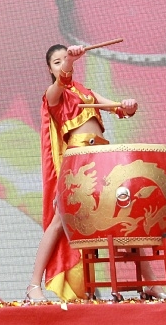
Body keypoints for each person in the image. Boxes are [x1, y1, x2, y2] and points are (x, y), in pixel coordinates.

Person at [25, 44, 155, 302]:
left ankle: (150, 283)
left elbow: (120, 109)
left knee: (124, 215)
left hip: (102, 158)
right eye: (57, 62)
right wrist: (71, 61)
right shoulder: (53, 95)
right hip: (78, 162)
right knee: (59, 221)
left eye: (65, 59)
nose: (62, 64)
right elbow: (63, 81)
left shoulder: (87, 92)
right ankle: (33, 285)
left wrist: (129, 105)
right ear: (49, 69)